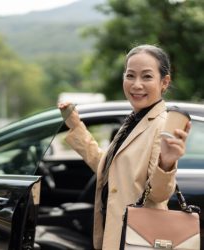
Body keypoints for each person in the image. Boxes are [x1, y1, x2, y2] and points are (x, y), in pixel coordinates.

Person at [58, 44, 191, 250]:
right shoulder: (134, 121)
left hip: (138, 239)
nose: (136, 84)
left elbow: (157, 194)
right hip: (121, 235)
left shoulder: (161, 124)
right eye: (130, 75)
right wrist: (76, 126)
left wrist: (166, 162)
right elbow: (110, 169)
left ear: (164, 82)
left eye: (147, 77)